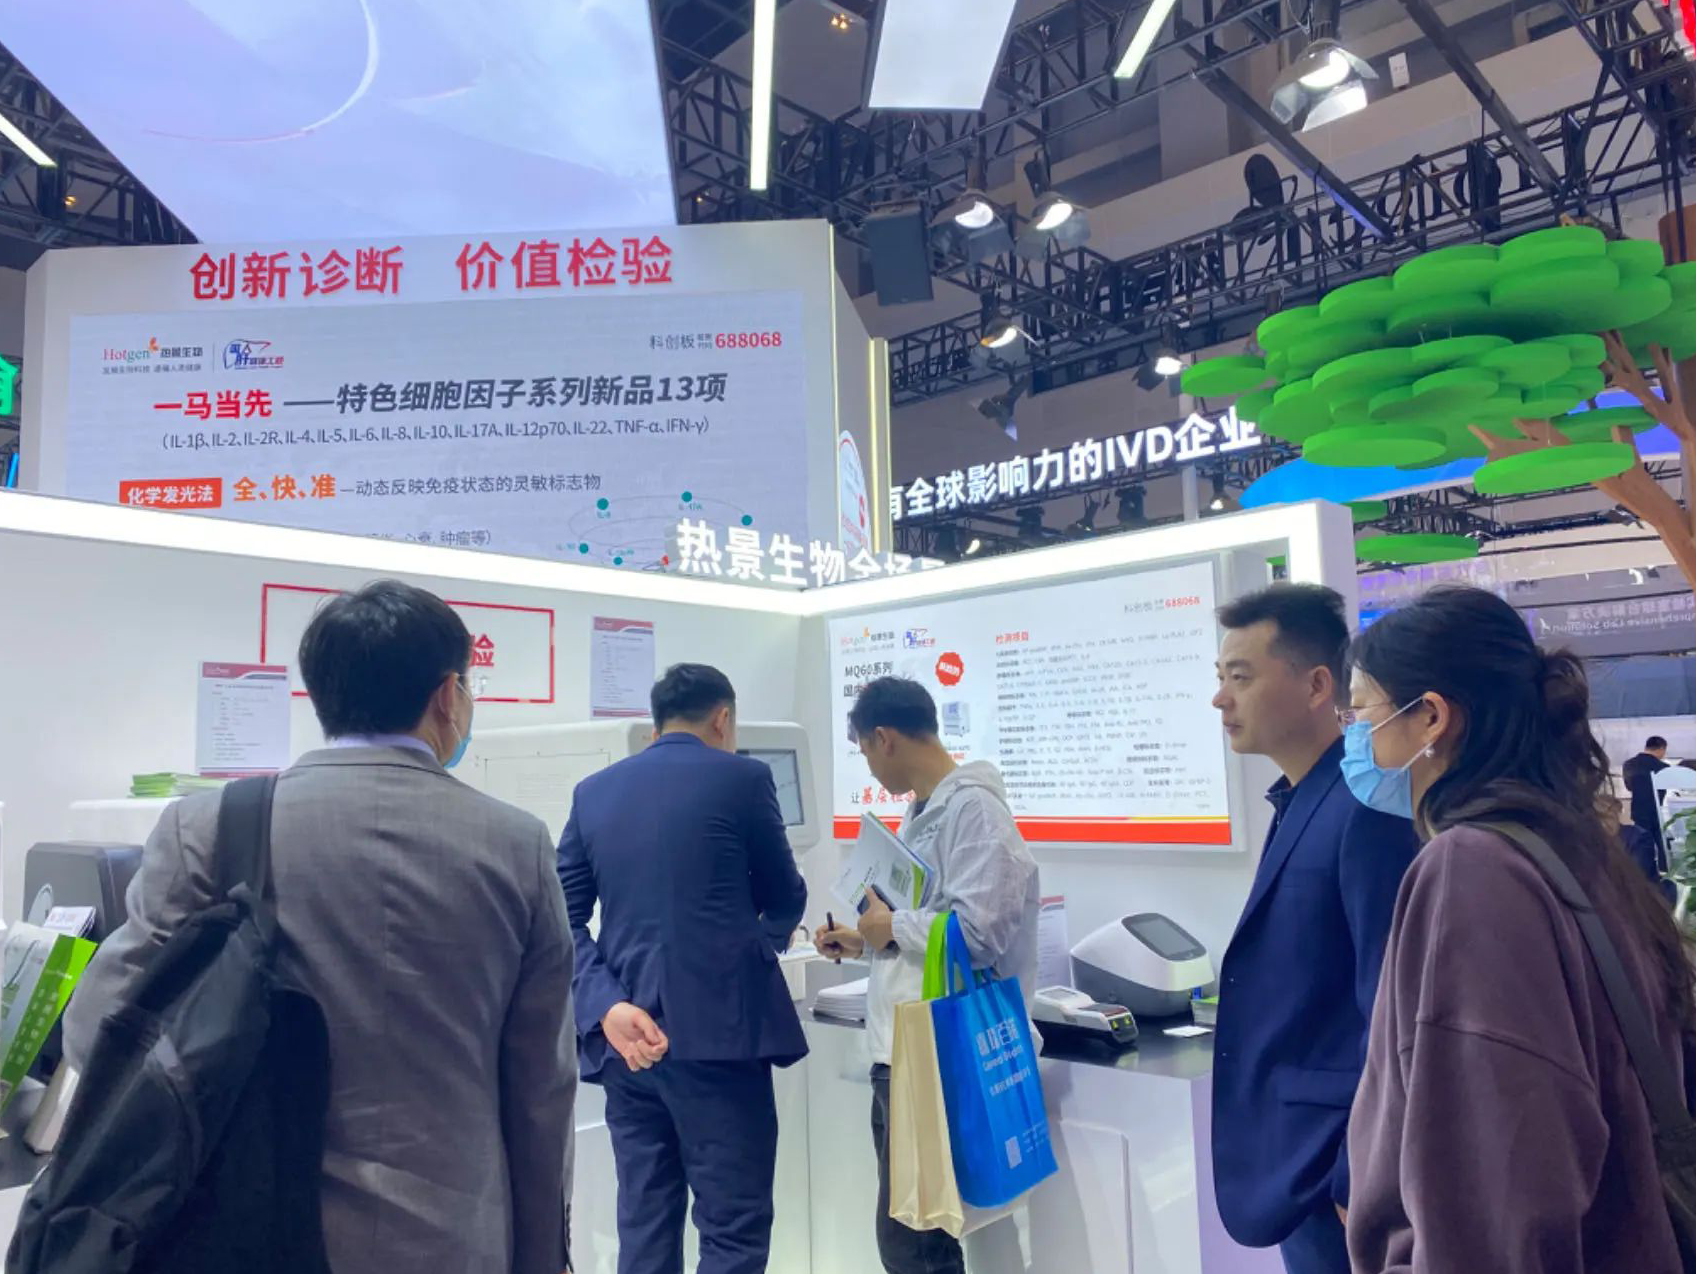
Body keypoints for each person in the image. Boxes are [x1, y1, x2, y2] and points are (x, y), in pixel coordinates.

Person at [62, 580, 576, 1274]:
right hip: (453, 1237)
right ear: (449, 695)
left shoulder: (209, 828)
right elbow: (541, 1087)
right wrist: (541, 1257)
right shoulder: (517, 844)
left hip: (244, 1230)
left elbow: (98, 1031)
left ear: (321, 692)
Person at [1343, 586, 1696, 1272]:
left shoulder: (1471, 869)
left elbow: (1495, 1192)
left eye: (1361, 712)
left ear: (1431, 718)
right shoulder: (1571, 850)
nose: (1354, 738)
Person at [558, 663, 807, 1274]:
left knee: (645, 1224)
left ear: (656, 724)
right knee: (733, 1229)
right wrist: (755, 948)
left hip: (628, 1047)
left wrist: (606, 1005)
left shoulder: (592, 792)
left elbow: (560, 919)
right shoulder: (746, 778)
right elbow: (785, 895)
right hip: (723, 1041)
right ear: (723, 719)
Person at [1208, 584, 1420, 1274]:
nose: (1221, 699)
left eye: (1241, 677)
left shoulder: (1364, 812)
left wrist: (1356, 1177)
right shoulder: (1303, 798)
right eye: (1221, 677)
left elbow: (1389, 1010)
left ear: (1316, 686)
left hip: (1335, 1170)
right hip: (1303, 1159)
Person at [814, 676, 1039, 1274]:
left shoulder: (975, 811)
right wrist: (866, 940)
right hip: (904, 1055)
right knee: (914, 1232)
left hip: (935, 1058)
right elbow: (929, 933)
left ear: (884, 738)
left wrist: (892, 926)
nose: (869, 765)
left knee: (917, 1243)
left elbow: (980, 934)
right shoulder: (924, 812)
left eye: (864, 750)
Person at [1623, 734, 1671, 840]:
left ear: (1646, 747)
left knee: (1642, 841)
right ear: (1662, 749)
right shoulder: (1664, 767)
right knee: (1661, 842)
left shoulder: (1629, 764)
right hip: (1658, 812)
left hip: (1638, 811)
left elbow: (1629, 786)